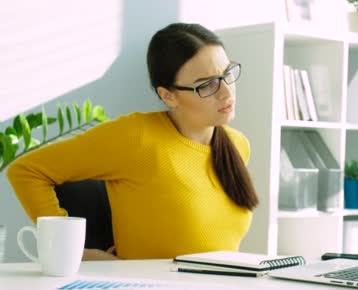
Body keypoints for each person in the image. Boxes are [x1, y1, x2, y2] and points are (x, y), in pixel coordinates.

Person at [7, 23, 259, 260]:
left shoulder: (238, 145)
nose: (227, 91)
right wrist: (70, 251)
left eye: (227, 74)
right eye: (208, 85)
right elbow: (27, 171)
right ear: (168, 96)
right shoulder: (136, 137)